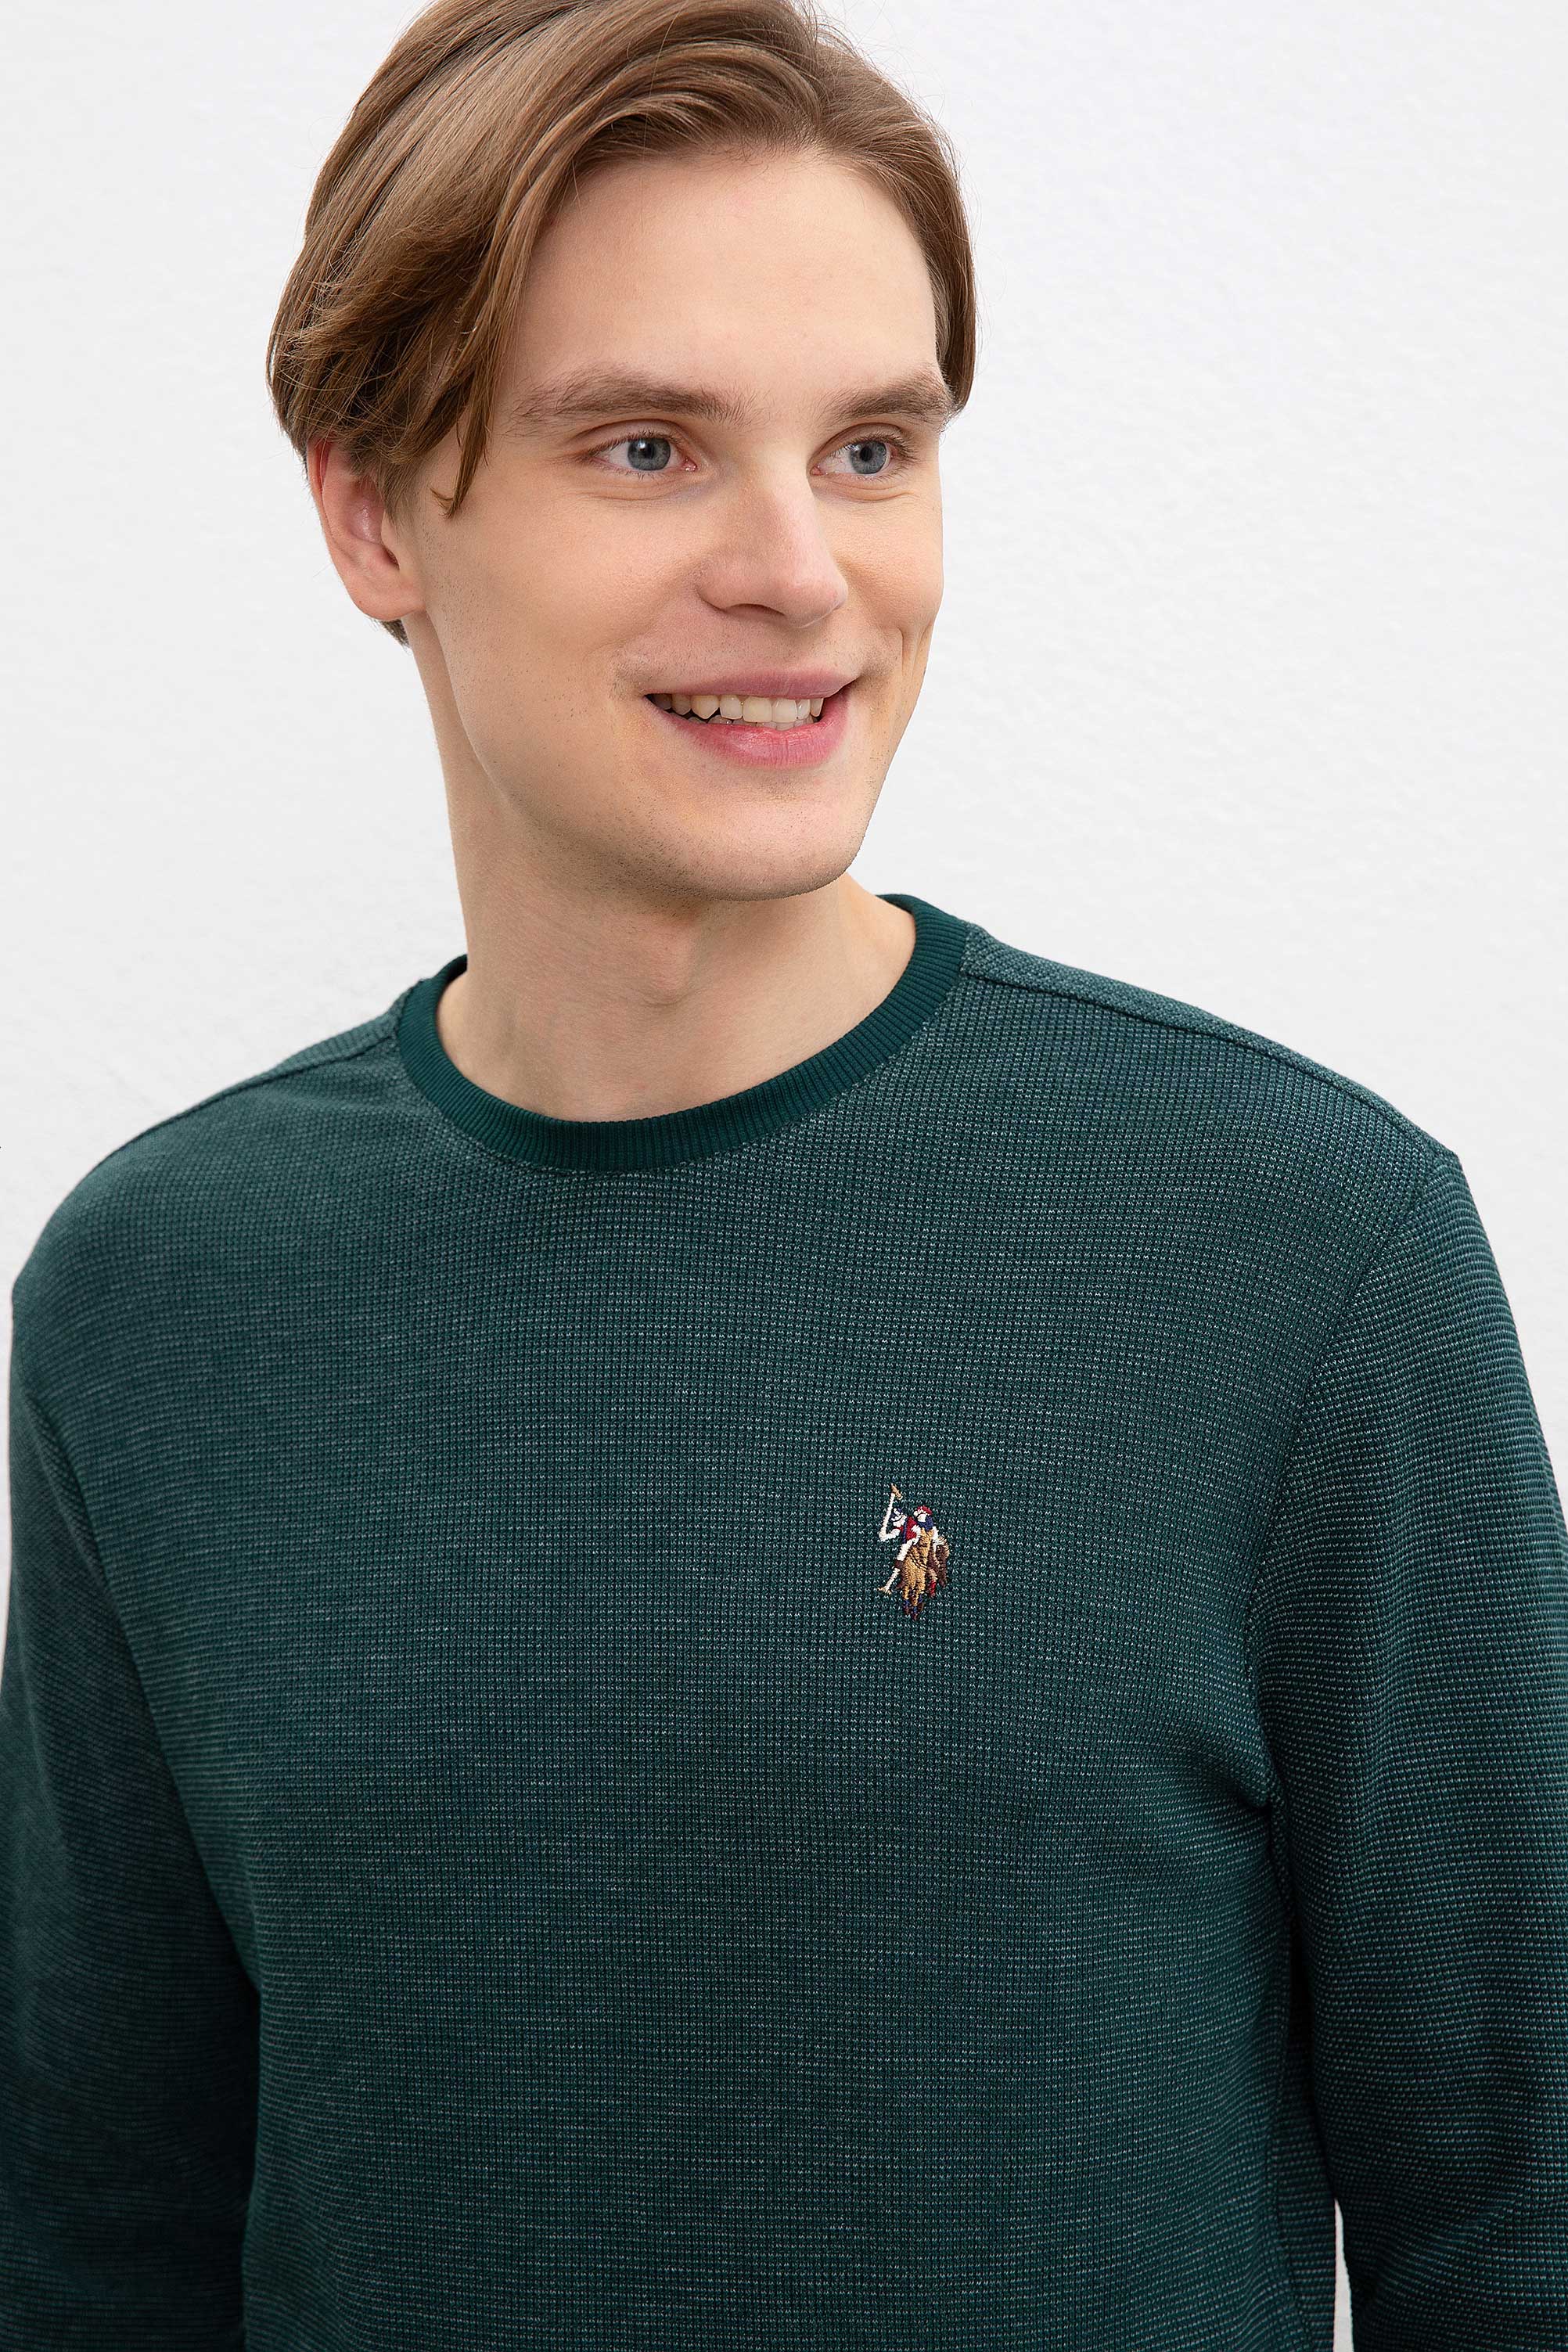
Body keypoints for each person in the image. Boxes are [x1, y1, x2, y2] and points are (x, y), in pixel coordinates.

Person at [4, 0, 1566, 2343]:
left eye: (869, 450)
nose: (802, 572)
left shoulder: (1297, 1246)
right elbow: (91, 2242)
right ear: (371, 511)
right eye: (648, 447)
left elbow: (1518, 2212)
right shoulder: (158, 1303)